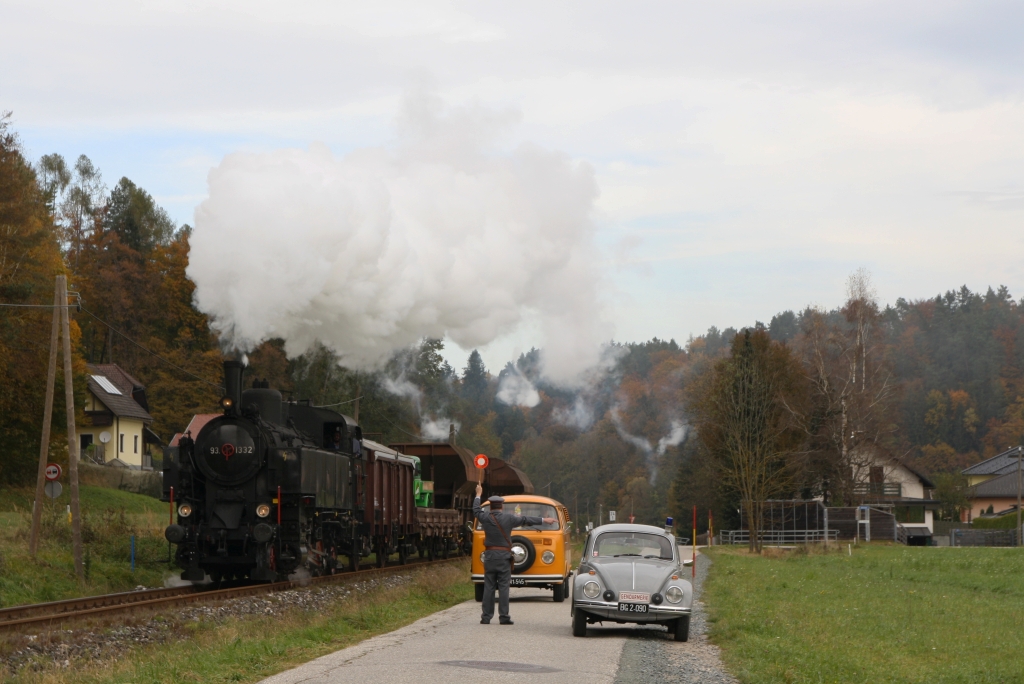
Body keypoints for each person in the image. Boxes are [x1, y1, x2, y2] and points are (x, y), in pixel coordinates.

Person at [473, 483, 557, 625]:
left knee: (489, 587)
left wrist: (478, 494)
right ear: (502, 506)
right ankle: (504, 617)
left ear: (491, 507)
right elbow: (526, 520)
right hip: (504, 557)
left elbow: (476, 510)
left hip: (490, 557)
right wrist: (544, 520)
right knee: (504, 587)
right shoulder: (509, 519)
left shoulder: (485, 517)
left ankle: (486, 617)